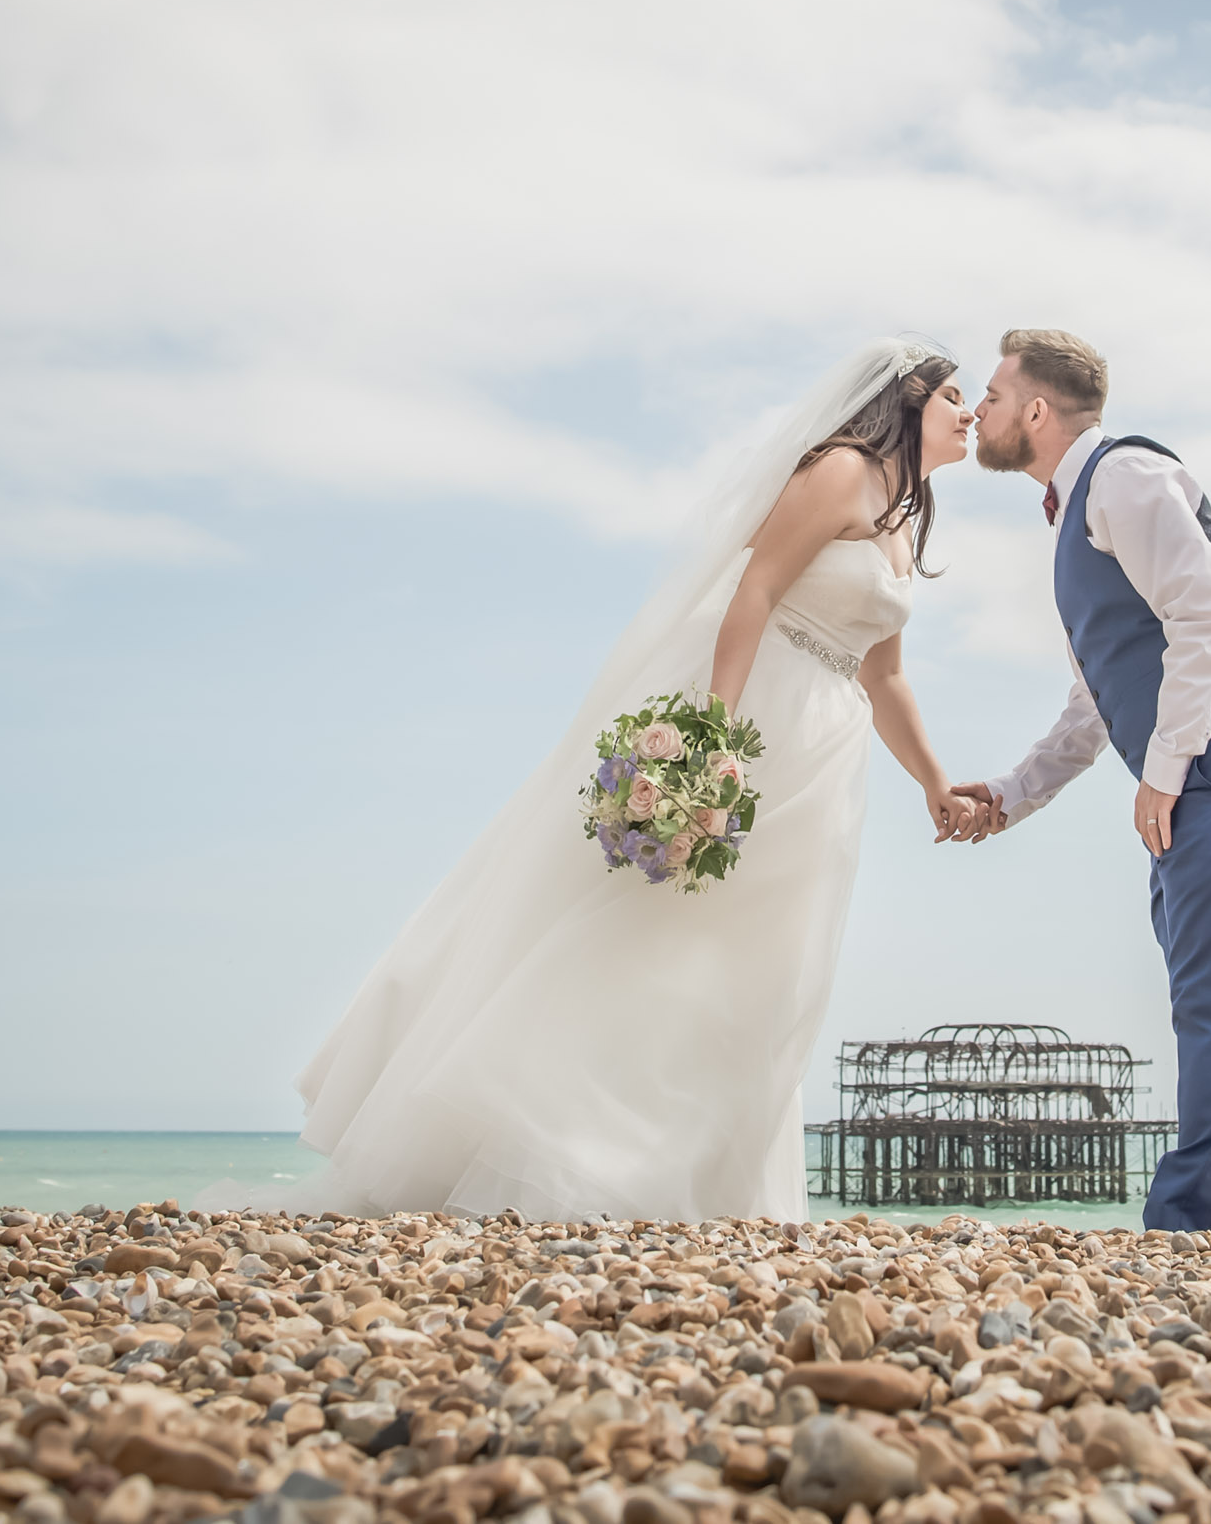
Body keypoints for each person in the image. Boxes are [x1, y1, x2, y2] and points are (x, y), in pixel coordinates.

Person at [284, 338, 989, 1221]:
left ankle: (706, 1182)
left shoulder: (904, 519)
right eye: (956, 394)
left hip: (828, 751)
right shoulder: (843, 470)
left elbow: (885, 676)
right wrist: (715, 740)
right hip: (759, 711)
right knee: (657, 928)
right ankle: (568, 1154)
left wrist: (934, 780)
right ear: (905, 399)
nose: (971, 412)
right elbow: (757, 590)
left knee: (765, 962)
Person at [952, 328, 1211, 1239]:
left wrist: (1164, 769)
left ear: (1036, 410)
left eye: (992, 394)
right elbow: (1097, 698)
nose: (977, 410)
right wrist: (1012, 792)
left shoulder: (1120, 478)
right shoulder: (1076, 512)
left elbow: (1204, 613)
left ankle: (1185, 1230)